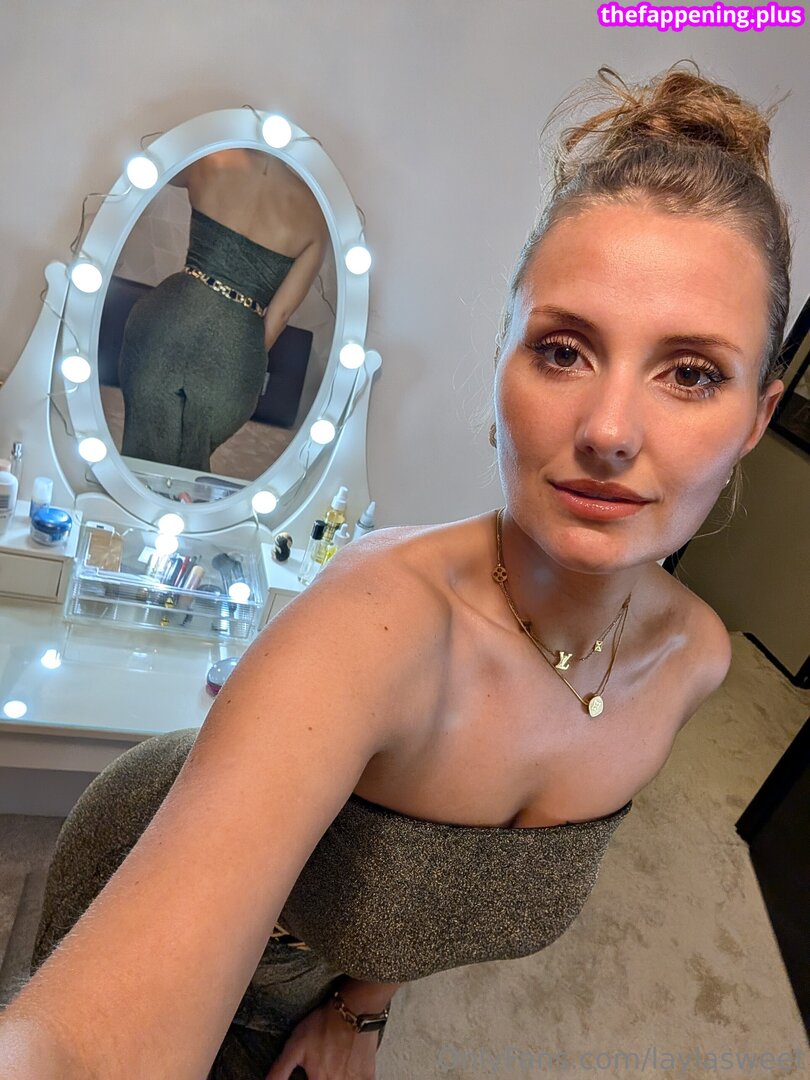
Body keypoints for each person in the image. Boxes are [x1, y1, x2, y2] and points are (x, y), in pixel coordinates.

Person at [0, 60, 792, 1080]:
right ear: (500, 359)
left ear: (758, 418)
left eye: (690, 373)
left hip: (326, 977)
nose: (608, 430)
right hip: (154, 883)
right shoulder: (373, 623)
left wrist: (360, 1009)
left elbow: (448, 896)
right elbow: (87, 1047)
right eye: (563, 350)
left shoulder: (697, 661)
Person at [118, 148, 330, 471]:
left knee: (138, 453)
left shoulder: (213, 159)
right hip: (236, 349)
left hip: (168, 317)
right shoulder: (315, 216)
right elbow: (280, 316)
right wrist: (239, 354)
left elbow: (155, 167)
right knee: (190, 465)